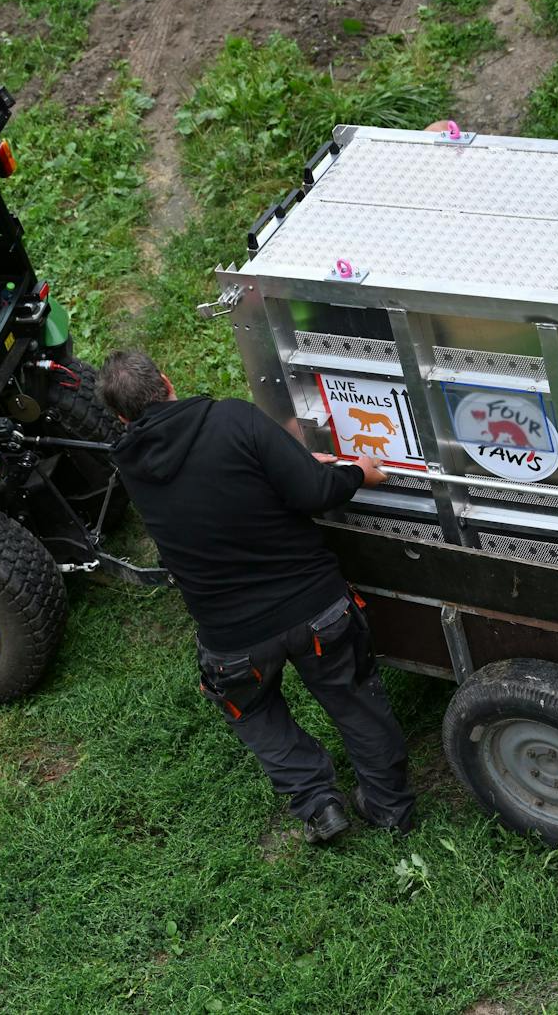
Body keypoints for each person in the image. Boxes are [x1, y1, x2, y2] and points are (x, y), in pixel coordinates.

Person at [99, 350, 417, 842]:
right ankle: (389, 806)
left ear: (122, 418)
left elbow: (210, 494)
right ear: (167, 380)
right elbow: (312, 492)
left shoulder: (129, 465)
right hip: (314, 608)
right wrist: (359, 473)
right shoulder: (232, 418)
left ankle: (317, 802)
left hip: (232, 638)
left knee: (252, 708)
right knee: (352, 698)